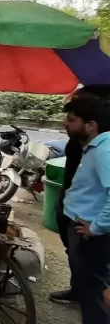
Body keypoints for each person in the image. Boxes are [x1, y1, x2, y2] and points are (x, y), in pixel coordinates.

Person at [51, 84, 110, 305]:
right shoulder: (91, 145)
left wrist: (96, 227)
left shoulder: (104, 150)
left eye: (72, 119)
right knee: (86, 278)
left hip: (89, 225)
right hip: (76, 211)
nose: (65, 123)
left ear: (91, 124)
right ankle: (81, 291)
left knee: (95, 290)